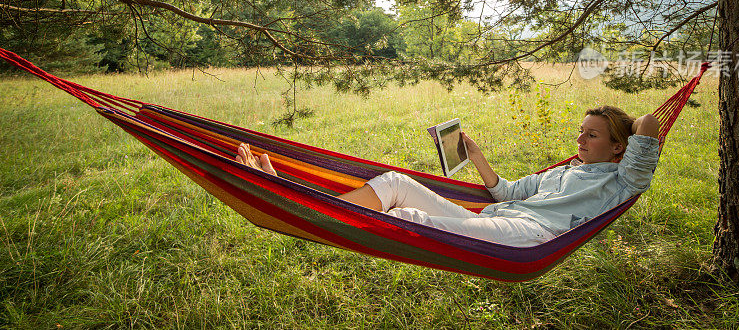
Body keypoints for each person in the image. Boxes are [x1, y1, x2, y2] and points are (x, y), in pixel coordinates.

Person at [235, 107, 660, 247]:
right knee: (394, 183)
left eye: (592, 135)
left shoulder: (621, 181)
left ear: (619, 147)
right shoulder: (566, 170)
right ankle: (300, 200)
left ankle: (301, 207)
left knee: (410, 222)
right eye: (581, 131)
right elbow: (506, 192)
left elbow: (648, 125)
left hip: (531, 236)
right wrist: (476, 158)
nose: (580, 139)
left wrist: (623, 130)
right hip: (501, 215)